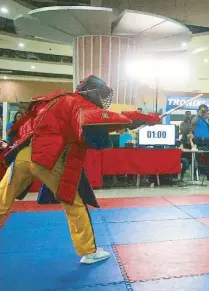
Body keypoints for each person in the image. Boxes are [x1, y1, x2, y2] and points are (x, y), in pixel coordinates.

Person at [0, 75, 132, 264]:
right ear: (91, 92)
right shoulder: (79, 103)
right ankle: (89, 251)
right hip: (46, 159)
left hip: (23, 154)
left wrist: (113, 127)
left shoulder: (57, 100)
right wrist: (131, 120)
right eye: (101, 94)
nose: (103, 100)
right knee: (74, 203)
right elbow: (88, 127)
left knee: (2, 198)